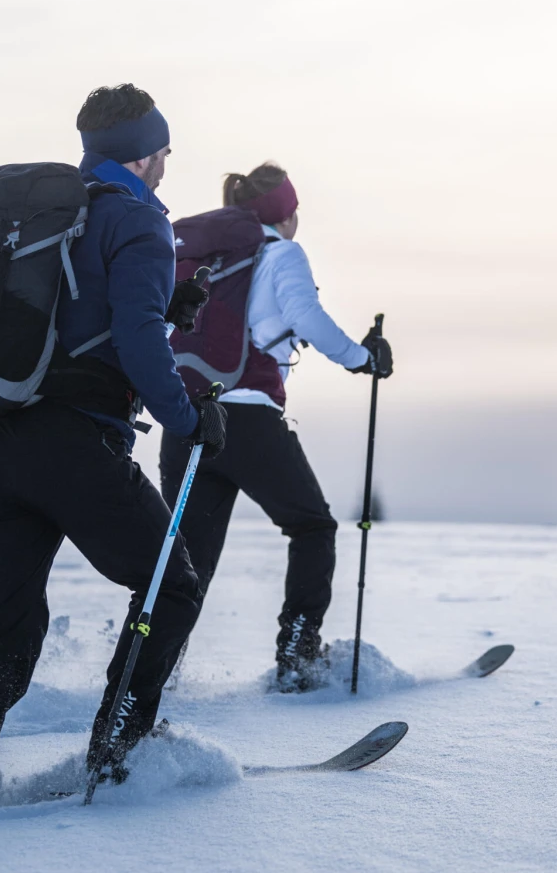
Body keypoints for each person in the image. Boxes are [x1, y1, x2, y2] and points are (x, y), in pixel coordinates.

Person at [0, 84, 227, 803]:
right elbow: (139, 340)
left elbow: (84, 311)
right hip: (74, 446)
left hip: (0, 447)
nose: (168, 162)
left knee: (11, 629)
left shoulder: (61, 213)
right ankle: (121, 753)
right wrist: (188, 416)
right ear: (145, 153)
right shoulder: (139, 222)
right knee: (172, 588)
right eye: (165, 150)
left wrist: (164, 302)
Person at [161, 163, 392, 692]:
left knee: (190, 556)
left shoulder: (209, 261)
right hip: (246, 419)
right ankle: (297, 655)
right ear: (285, 214)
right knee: (312, 528)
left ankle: (157, 668)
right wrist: (362, 359)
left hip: (187, 417)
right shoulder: (280, 252)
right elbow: (305, 316)